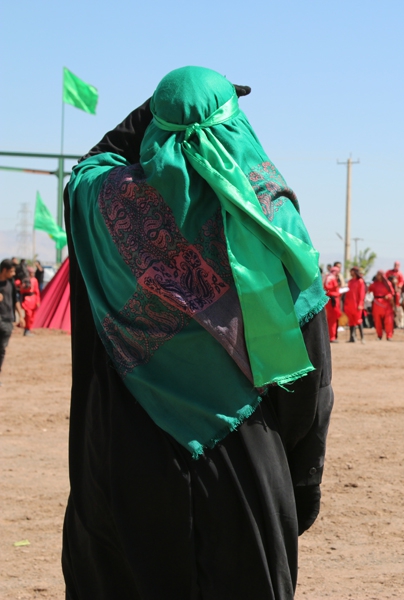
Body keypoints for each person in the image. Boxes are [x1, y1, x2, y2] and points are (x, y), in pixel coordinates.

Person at [63, 67, 333, 599]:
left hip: (124, 457)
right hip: (239, 461)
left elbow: (91, 160)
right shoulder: (270, 214)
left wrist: (163, 107)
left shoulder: (101, 201)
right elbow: (309, 368)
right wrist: (300, 479)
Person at [0, 259, 23, 384]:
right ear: (4, 270)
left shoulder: (11, 283)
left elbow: (16, 300)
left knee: (2, 348)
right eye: (12, 271)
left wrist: (21, 316)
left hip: (8, 321)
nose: (14, 273)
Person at [369, 271, 395, 340]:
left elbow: (392, 293)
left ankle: (389, 336)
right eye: (377, 275)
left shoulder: (388, 284)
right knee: (377, 321)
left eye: (380, 275)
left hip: (386, 304)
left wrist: (388, 296)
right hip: (377, 303)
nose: (378, 276)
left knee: (388, 321)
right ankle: (379, 335)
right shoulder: (374, 284)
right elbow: (369, 290)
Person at [17, 264, 41, 336]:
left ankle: (29, 329)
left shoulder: (34, 280)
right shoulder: (23, 280)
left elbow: (37, 291)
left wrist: (38, 301)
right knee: (28, 315)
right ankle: (26, 329)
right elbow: (19, 287)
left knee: (32, 316)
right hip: (27, 300)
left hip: (33, 299)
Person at [344, 267, 366, 343]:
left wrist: (360, 304)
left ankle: (362, 337)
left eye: (352, 271)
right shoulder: (350, 281)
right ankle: (352, 337)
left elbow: (362, 294)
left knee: (358, 320)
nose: (350, 273)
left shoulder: (360, 281)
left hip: (356, 305)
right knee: (351, 321)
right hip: (349, 304)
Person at [324, 265, 343, 342]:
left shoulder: (330, 277)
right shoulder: (330, 278)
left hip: (334, 299)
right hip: (332, 300)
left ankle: (332, 336)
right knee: (332, 319)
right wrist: (335, 286)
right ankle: (331, 337)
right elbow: (327, 287)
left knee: (333, 318)